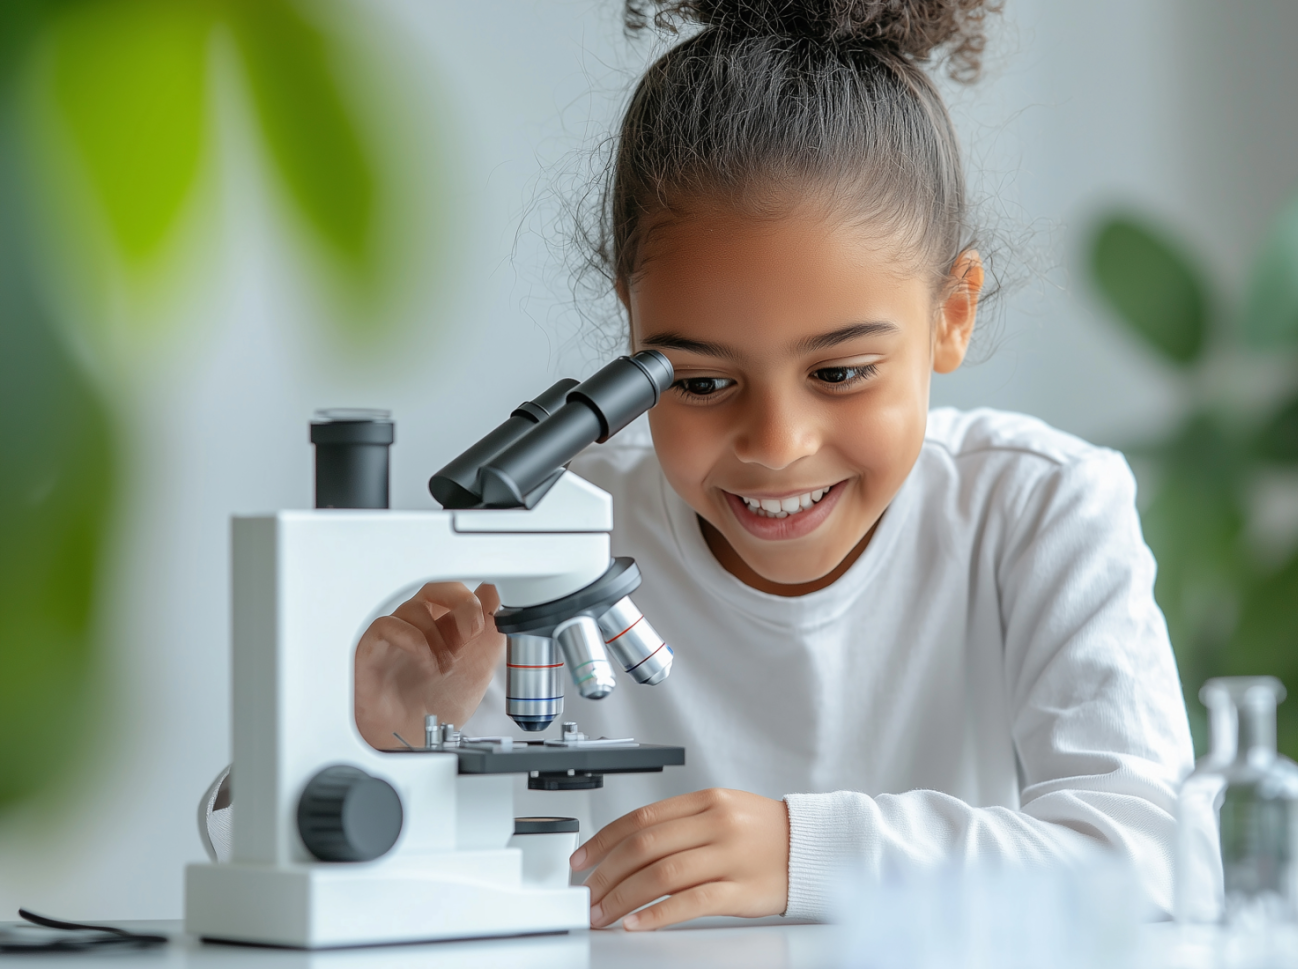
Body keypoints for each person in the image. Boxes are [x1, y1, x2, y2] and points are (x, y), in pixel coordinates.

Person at [206, 0, 1194, 931]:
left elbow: (1162, 867)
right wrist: (373, 738)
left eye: (840, 371)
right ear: (629, 334)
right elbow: (248, 844)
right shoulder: (564, 530)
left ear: (952, 314)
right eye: (702, 384)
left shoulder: (1037, 507)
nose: (776, 444)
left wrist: (805, 851)